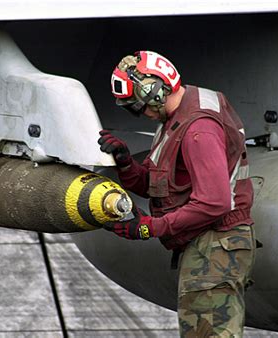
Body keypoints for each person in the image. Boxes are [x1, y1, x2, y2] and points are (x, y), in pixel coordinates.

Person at [98, 51, 256, 338]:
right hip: (209, 245)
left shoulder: (198, 129)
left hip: (215, 246)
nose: (141, 114)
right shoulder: (179, 116)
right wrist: (125, 162)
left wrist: (150, 227)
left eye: (138, 106)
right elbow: (161, 183)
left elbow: (215, 202)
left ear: (153, 90)